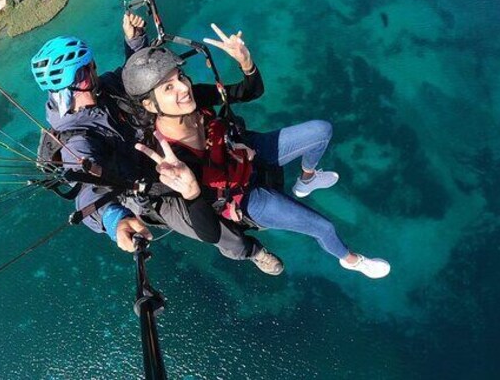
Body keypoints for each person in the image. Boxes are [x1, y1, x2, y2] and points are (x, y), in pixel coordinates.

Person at [122, 24, 391, 279]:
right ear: (150, 104)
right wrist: (191, 193)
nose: (183, 87)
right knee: (324, 228)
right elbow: (209, 233)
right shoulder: (169, 159)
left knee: (321, 130)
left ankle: (307, 179)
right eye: (169, 87)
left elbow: (249, 91)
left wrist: (245, 62)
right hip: (244, 197)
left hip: (246, 153)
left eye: (180, 77)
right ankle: (352, 260)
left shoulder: (196, 99)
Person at [30, 14, 284, 274]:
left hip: (160, 144)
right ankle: (250, 250)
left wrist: (135, 41)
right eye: (84, 73)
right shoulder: (76, 137)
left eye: (91, 64)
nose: (93, 71)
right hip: (146, 188)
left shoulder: (102, 89)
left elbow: (133, 76)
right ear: (65, 91)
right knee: (203, 225)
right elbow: (86, 185)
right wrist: (113, 219)